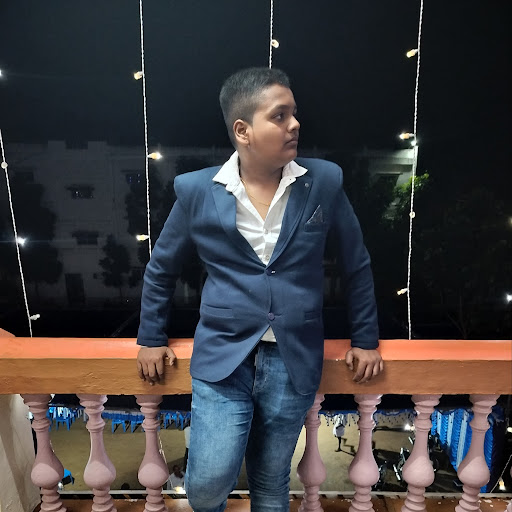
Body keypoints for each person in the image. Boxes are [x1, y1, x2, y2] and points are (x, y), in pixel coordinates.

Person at [136, 67, 384, 512]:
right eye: (280, 115)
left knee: (271, 480)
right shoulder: (197, 190)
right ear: (243, 130)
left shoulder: (323, 182)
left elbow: (356, 264)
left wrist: (365, 339)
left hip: (293, 356)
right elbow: (161, 269)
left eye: (294, 113)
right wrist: (151, 337)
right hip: (223, 355)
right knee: (207, 483)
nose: (295, 124)